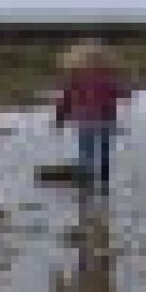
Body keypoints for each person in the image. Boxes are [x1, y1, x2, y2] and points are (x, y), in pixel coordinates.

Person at [54, 40, 130, 192]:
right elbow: (122, 94)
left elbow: (65, 99)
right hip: (102, 117)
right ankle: (102, 184)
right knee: (101, 151)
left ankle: (90, 184)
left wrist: (60, 116)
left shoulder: (76, 78)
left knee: (88, 151)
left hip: (89, 118)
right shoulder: (107, 77)